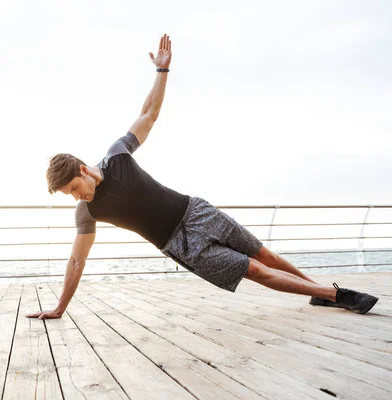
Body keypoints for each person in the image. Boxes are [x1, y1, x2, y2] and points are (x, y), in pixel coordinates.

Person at [26, 34, 378, 319]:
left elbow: (148, 114)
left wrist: (161, 72)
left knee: (264, 254)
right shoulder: (88, 212)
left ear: (83, 170)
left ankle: (319, 293)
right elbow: (76, 261)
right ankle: (338, 295)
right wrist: (60, 308)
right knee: (255, 270)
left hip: (197, 211)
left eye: (74, 188)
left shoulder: (118, 154)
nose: (77, 197)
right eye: (69, 195)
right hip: (181, 245)